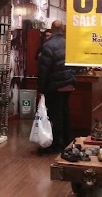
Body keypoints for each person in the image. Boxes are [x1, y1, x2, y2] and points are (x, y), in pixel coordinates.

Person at [37, 20, 76, 151]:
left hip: (55, 86)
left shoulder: (48, 45)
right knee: (65, 112)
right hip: (68, 84)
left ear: (51, 29)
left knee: (55, 114)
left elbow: (44, 69)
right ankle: (68, 140)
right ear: (63, 30)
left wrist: (41, 88)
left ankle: (56, 143)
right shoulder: (69, 44)